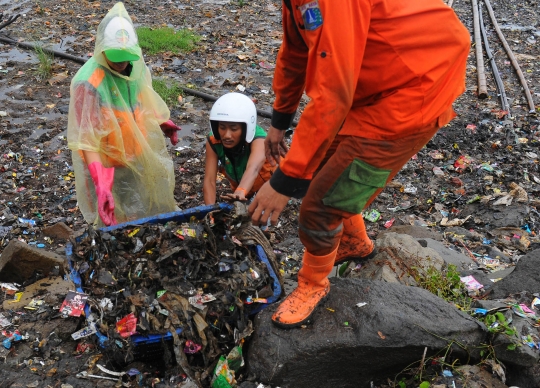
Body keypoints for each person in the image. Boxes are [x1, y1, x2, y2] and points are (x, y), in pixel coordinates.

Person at [248, 0, 471, 328]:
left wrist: (283, 181)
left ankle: (313, 284)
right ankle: (353, 243)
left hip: (416, 89)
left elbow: (334, 93)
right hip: (377, 83)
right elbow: (296, 52)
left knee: (320, 205)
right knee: (326, 169)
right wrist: (280, 121)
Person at [67, 2, 182, 227]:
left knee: (137, 210)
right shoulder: (88, 83)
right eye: (114, 56)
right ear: (101, 49)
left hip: (132, 158)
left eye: (125, 56)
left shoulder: (135, 68)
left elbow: (143, 102)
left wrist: (160, 122)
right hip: (102, 166)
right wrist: (101, 182)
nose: (121, 62)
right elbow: (86, 141)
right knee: (109, 218)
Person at [203, 93, 276, 205]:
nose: (227, 135)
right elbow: (209, 180)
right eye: (222, 127)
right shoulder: (213, 141)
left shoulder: (260, 140)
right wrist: (210, 210)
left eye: (234, 129)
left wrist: (241, 191)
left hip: (269, 188)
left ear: (245, 128)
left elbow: (254, 168)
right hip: (240, 189)